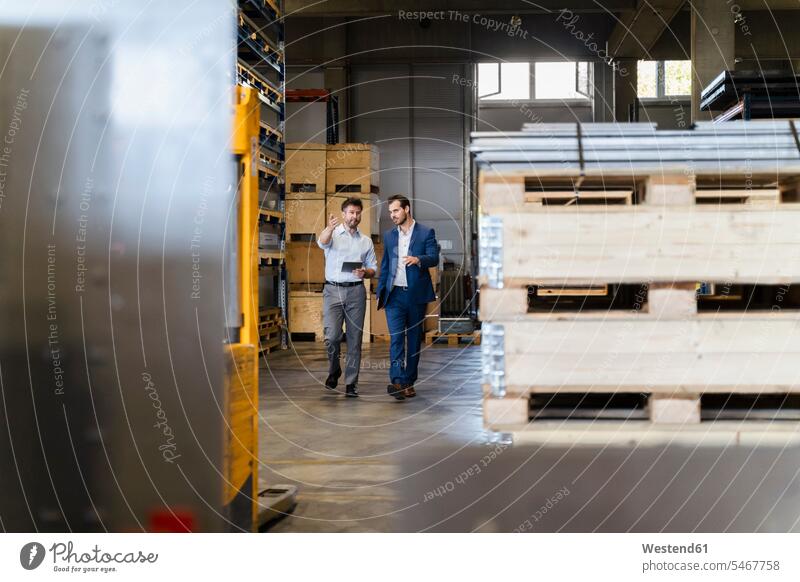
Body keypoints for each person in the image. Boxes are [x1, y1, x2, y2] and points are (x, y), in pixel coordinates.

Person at [376, 195, 439, 400]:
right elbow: (386, 264)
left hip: (415, 296)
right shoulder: (389, 236)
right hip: (394, 295)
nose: (392, 215)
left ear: (407, 209)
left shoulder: (425, 232)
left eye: (395, 211)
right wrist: (380, 291)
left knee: (413, 341)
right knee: (396, 339)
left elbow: (434, 257)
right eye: (390, 212)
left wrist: (418, 259)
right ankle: (397, 380)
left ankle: (409, 381)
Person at [317, 197, 377, 397]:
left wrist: (365, 273)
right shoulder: (333, 234)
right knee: (332, 337)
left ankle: (351, 383)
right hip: (333, 291)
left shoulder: (366, 241)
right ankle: (334, 368)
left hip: (356, 292)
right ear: (344, 214)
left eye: (358, 212)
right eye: (351, 212)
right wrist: (328, 228)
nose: (355, 216)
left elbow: (373, 268)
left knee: (355, 339)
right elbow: (322, 242)